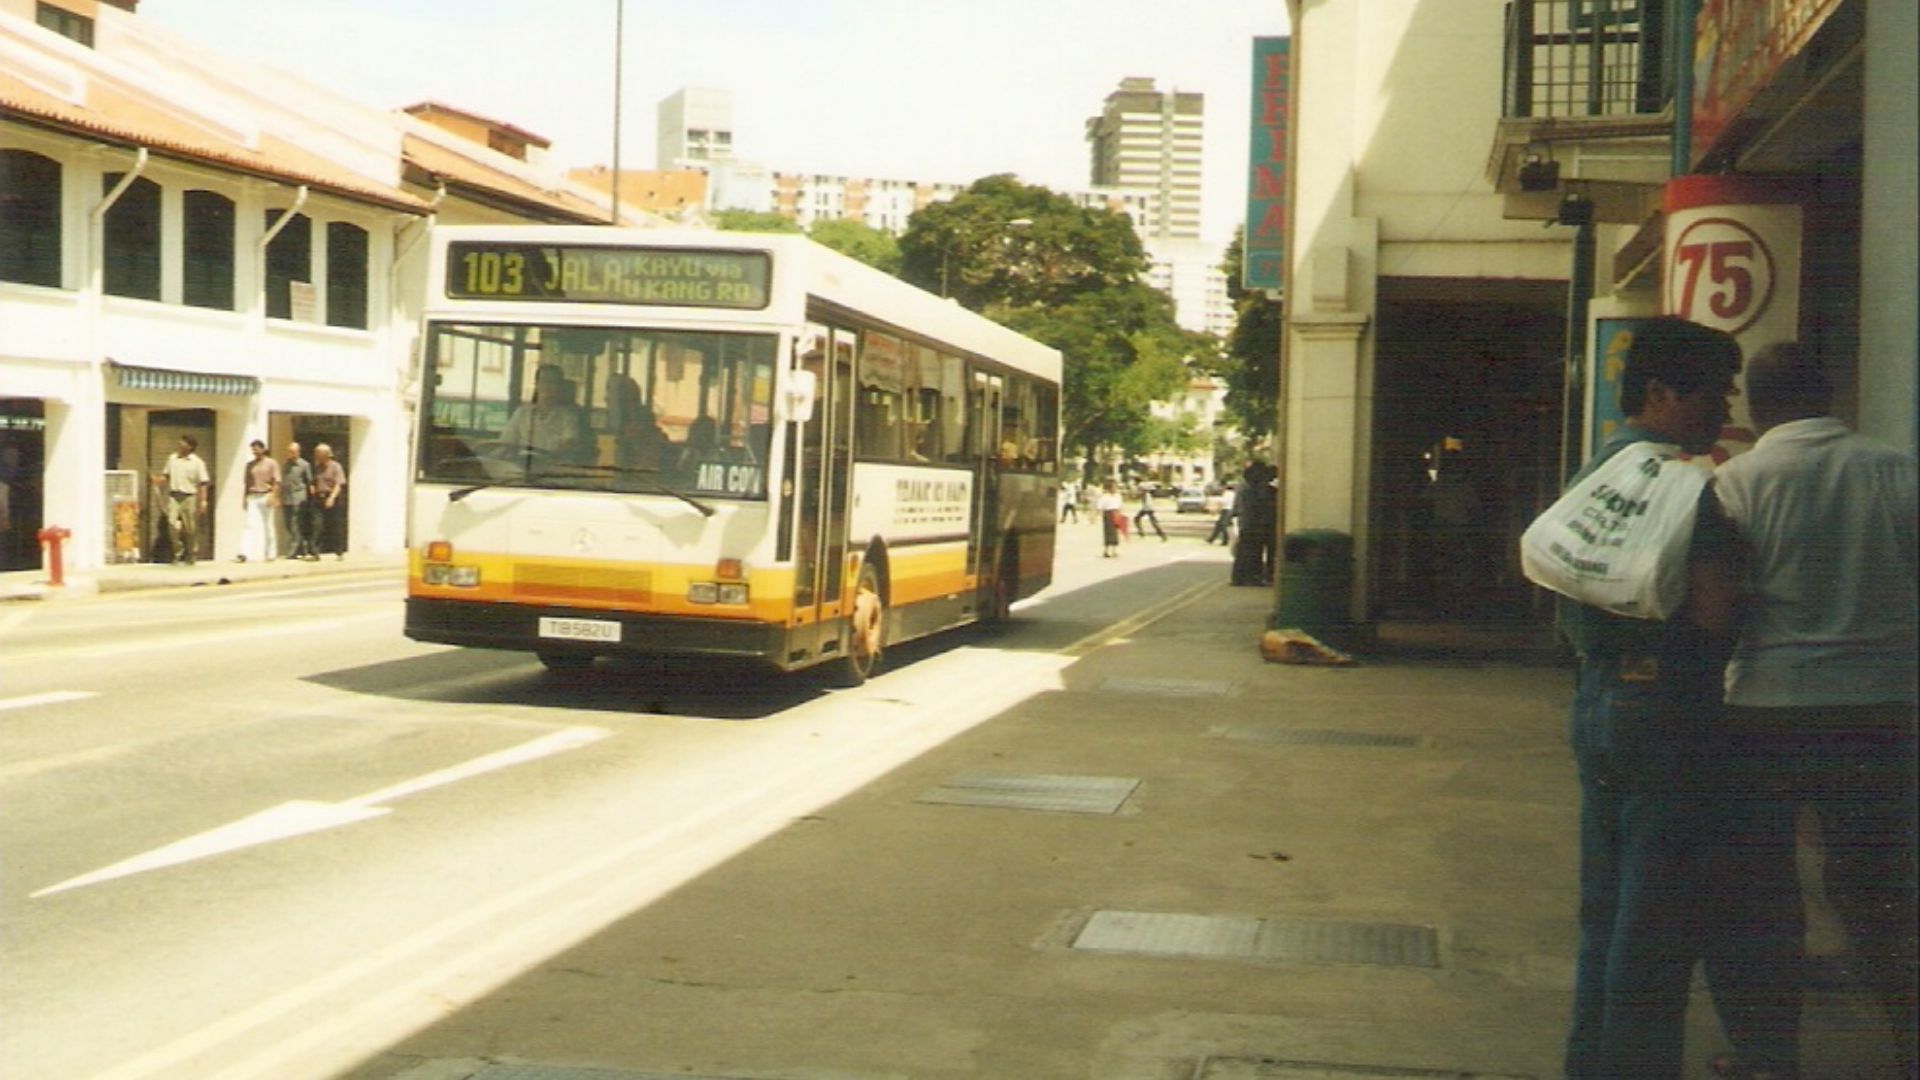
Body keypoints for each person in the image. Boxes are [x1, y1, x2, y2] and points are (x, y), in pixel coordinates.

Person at [1700, 342, 1917, 1080]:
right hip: (1881, 709)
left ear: (1756, 405)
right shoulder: (1898, 471)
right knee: (1881, 887)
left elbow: (1718, 603)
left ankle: (1768, 1057)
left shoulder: (1737, 482)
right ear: (1828, 395)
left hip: (1768, 708)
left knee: (1759, 890)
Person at [1555, 316, 1743, 1080]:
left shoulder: (1594, 477)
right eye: (1714, 393)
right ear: (1662, 392)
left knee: (1604, 917)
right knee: (1657, 927)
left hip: (1598, 699)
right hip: (1670, 711)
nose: (1724, 409)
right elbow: (1716, 613)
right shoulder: (1685, 489)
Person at [495, 364, 591, 465]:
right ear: (536, 384)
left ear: (560, 386)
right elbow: (506, 443)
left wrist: (549, 458)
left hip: (555, 469)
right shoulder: (522, 413)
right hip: (523, 468)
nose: (548, 386)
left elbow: (570, 442)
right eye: (544, 381)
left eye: (553, 382)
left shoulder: (568, 416)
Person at [154, 435, 210, 565]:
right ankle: (177, 553)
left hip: (189, 496)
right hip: (174, 496)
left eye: (183, 442)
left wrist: (203, 501)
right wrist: (157, 480)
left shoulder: (197, 462)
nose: (179, 444)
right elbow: (166, 476)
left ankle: (191, 553)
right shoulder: (172, 459)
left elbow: (203, 483)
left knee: (190, 527)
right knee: (171, 524)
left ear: (190, 446)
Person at [1231, 463, 1277, 585]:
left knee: (1247, 552)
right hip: (1258, 525)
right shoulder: (1259, 491)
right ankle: (1253, 577)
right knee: (1254, 552)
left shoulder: (1244, 489)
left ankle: (1242, 578)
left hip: (1249, 524)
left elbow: (1238, 508)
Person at [236, 439, 279, 563]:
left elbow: (277, 481)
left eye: (256, 449)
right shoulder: (249, 465)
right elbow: (247, 483)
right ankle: (244, 553)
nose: (254, 451)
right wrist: (244, 498)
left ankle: (271, 553)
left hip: (266, 495)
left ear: (263, 449)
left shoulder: (271, 463)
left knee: (268, 525)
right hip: (253, 495)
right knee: (249, 524)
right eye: (253, 449)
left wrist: (273, 496)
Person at [280, 442, 316, 560]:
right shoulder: (285, 465)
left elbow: (309, 482)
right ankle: (301, 548)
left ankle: (292, 552)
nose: (290, 453)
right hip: (287, 498)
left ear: (298, 452)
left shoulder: (304, 465)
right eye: (289, 451)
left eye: (292, 451)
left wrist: (311, 497)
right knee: (288, 524)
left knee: (295, 523)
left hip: (298, 497)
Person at [311, 442, 346, 559]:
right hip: (319, 498)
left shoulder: (336, 467)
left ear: (326, 454)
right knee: (317, 525)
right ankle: (316, 552)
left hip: (332, 498)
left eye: (318, 453)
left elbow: (339, 484)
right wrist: (312, 488)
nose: (316, 455)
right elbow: (314, 481)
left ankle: (339, 551)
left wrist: (331, 498)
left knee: (335, 525)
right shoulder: (317, 468)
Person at [1096, 481, 1123, 558]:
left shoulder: (1118, 496)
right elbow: (1100, 507)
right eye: (1113, 487)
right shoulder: (1105, 497)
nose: (1115, 489)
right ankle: (1106, 551)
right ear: (1109, 488)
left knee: (1115, 532)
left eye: (1115, 487)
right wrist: (1096, 516)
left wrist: (1120, 515)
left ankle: (1114, 551)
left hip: (1116, 513)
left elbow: (1119, 506)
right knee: (1108, 532)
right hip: (1108, 514)